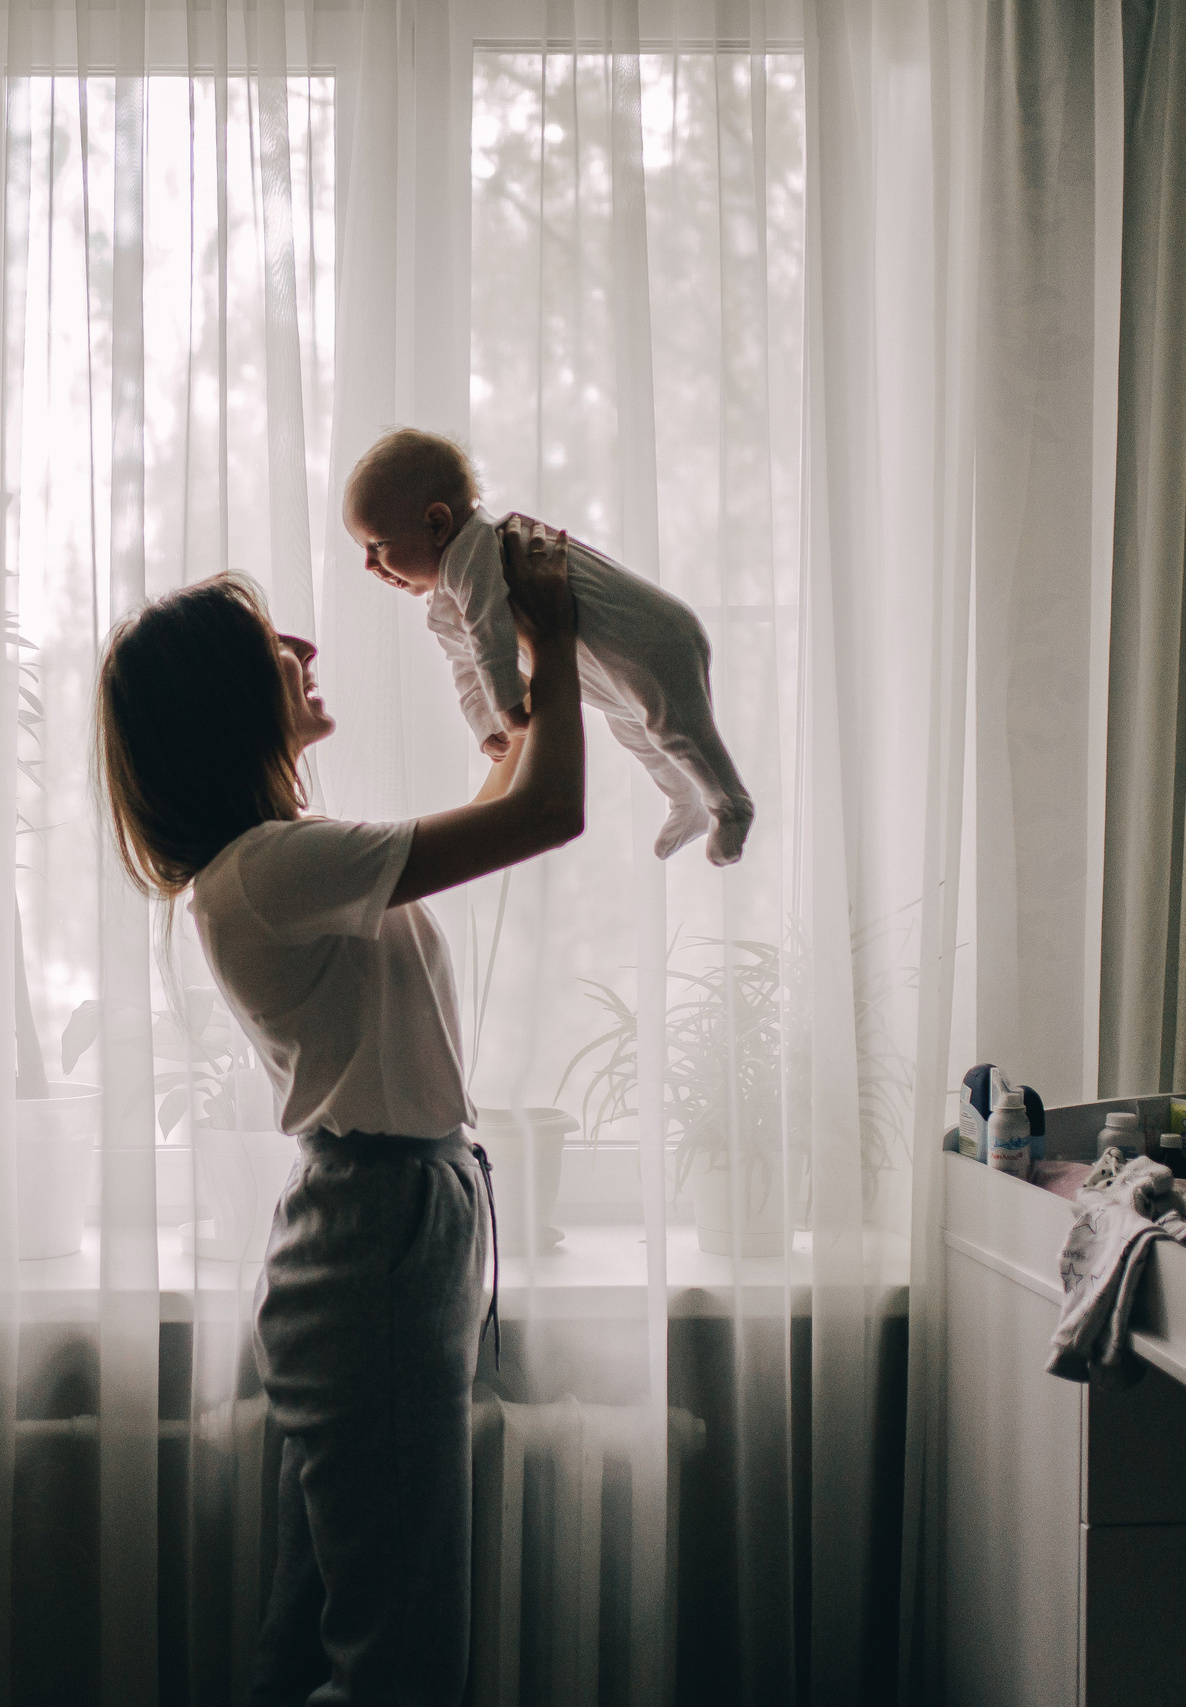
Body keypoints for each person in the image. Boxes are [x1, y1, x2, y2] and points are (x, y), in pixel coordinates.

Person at [94, 520, 583, 1706]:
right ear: (225, 707)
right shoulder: (267, 871)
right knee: (397, 1651)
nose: (302, 645)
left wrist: (500, 672)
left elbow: (504, 795)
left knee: (323, 1629)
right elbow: (546, 815)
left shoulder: (284, 862)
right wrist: (556, 642)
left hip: (384, 1225)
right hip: (376, 1237)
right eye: (270, 642)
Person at [345, 426, 754, 865]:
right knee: (637, 733)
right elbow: (463, 664)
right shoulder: (445, 598)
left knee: (676, 730)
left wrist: (506, 705)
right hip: (611, 670)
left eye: (377, 544)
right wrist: (486, 725)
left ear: (437, 524)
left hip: (653, 638)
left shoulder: (477, 548)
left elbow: (490, 634)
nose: (369, 563)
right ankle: (685, 803)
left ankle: (729, 804)